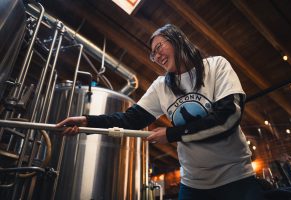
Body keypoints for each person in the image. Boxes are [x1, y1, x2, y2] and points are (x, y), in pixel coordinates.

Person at [56, 24, 264, 200]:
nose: (156, 56)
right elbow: (130, 120)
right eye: (153, 54)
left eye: (158, 47)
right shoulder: (160, 87)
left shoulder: (216, 66)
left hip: (236, 178)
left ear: (177, 39)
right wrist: (86, 122)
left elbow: (228, 118)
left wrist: (172, 134)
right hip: (194, 185)